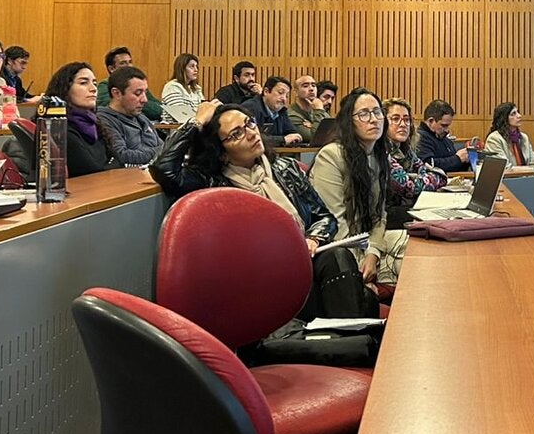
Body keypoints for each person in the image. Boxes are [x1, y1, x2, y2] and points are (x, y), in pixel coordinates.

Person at [150, 104, 377, 320]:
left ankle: (351, 335)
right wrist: (197, 121)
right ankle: (351, 339)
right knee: (358, 299)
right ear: (221, 152)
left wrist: (313, 238)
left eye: (249, 123)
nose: (251, 133)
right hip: (256, 275)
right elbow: (164, 169)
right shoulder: (211, 183)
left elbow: (323, 216)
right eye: (236, 134)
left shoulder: (285, 168)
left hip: (302, 261)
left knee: (339, 257)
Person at [309, 88, 409, 290]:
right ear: (349, 121)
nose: (373, 119)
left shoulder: (377, 157)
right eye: (364, 114)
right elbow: (336, 222)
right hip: (336, 249)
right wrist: (359, 272)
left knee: (418, 252)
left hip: (367, 241)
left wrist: (373, 253)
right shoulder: (331, 156)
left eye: (377, 112)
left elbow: (379, 216)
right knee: (407, 264)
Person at [382, 98, 447, 227]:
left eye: (407, 120)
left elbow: (428, 172)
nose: (403, 124)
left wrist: (421, 178)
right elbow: (410, 187)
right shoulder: (381, 151)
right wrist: (423, 178)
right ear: (383, 123)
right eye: (395, 119)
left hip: (402, 208)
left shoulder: (405, 150)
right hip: (383, 216)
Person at [43, 61, 115, 176]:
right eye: (83, 83)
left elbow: (117, 160)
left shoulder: (96, 124)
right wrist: (110, 165)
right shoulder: (58, 127)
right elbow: (91, 170)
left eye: (94, 83)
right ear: (65, 89)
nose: (93, 89)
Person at [97, 65, 160, 166]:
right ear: (116, 93)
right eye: (138, 93)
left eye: (145, 93)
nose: (144, 100)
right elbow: (122, 156)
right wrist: (159, 152)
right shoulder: (103, 120)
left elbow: (166, 149)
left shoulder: (142, 118)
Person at [96, 47, 164, 120]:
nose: (129, 66)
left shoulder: (137, 84)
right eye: (123, 63)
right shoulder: (104, 85)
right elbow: (115, 108)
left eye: (130, 62)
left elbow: (160, 110)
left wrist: (134, 101)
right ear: (112, 69)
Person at [416, 98, 471, 173]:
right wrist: (458, 159)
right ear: (431, 121)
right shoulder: (419, 137)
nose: (447, 130)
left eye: (448, 126)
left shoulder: (444, 139)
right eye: (444, 125)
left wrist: (466, 160)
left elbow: (454, 167)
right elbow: (428, 165)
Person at [483, 101, 534, 168]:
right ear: (504, 118)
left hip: (526, 174)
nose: (519, 116)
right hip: (508, 175)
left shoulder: (524, 137)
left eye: (517, 112)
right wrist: (529, 169)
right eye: (513, 114)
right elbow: (504, 167)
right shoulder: (494, 139)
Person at [250, 75, 303, 147]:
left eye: (287, 96)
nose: (284, 99)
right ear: (266, 91)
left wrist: (295, 137)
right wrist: (283, 140)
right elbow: (252, 137)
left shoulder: (281, 111)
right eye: (280, 93)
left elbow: (292, 133)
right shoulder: (250, 108)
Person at [160, 52, 205, 124]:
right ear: (182, 69)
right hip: (176, 128)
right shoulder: (172, 87)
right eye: (192, 66)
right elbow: (181, 115)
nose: (196, 70)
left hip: (195, 124)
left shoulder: (197, 89)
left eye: (196, 66)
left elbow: (203, 111)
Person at [286, 73, 328, 141]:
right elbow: (314, 138)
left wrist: (312, 125)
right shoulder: (291, 115)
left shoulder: (317, 109)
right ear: (296, 92)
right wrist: (319, 110)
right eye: (305, 86)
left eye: (313, 85)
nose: (311, 89)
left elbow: (335, 131)